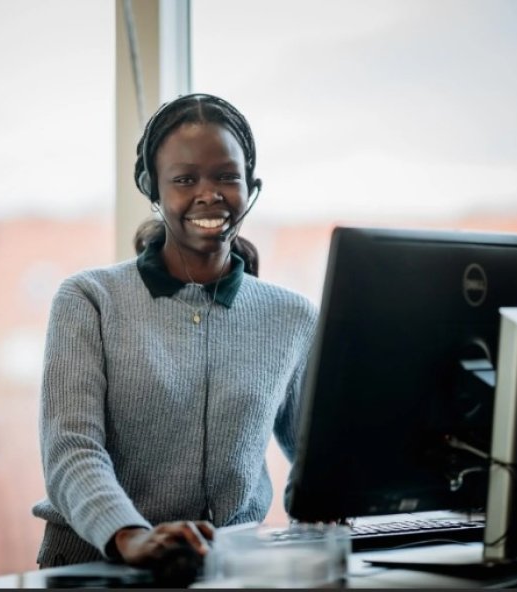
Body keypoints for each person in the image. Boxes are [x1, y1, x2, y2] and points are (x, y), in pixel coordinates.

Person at [32, 93, 318, 568]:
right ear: (153, 189)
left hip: (232, 572)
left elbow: (320, 466)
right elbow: (71, 450)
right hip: (97, 567)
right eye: (185, 179)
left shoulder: (292, 317)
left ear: (252, 186)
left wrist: (328, 521)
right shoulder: (88, 300)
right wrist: (131, 536)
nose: (209, 194)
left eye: (227, 176)